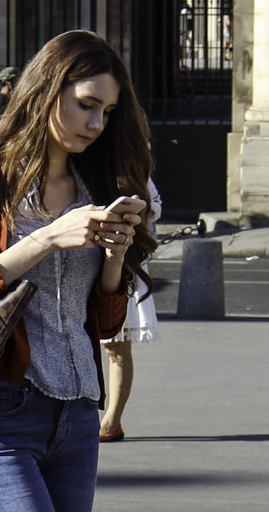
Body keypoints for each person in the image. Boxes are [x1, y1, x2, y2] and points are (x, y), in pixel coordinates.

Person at [0, 29, 156, 512]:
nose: (96, 124)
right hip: (1, 417)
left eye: (107, 113)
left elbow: (107, 323)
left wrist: (114, 256)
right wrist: (46, 237)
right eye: (87, 104)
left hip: (77, 418)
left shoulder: (95, 184)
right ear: (48, 89)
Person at [98, 175, 162, 443]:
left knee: (117, 346)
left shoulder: (131, 169)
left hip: (123, 260)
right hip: (82, 261)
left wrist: (135, 209)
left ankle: (111, 421)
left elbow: (156, 205)